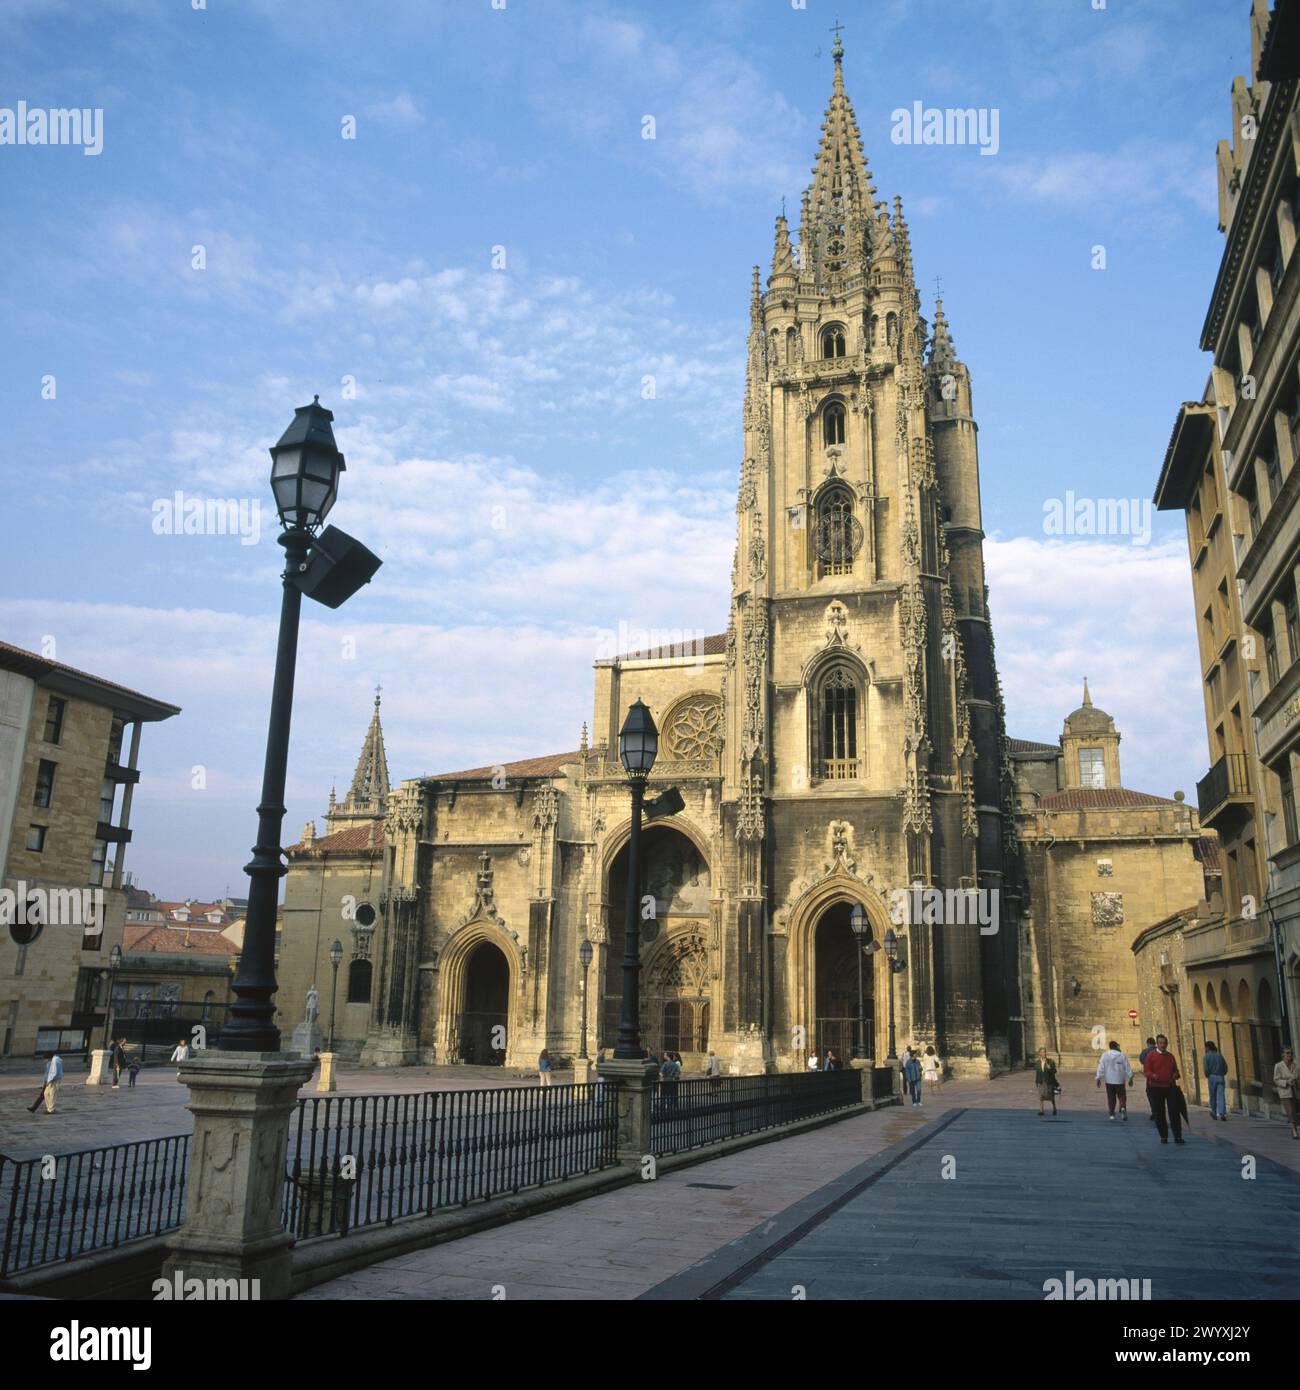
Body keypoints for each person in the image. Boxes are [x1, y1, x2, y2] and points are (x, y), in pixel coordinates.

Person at [1143, 1033, 1184, 1144]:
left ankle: (1177, 1136)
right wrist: (1153, 1075)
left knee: (1174, 1112)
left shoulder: (1170, 1056)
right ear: (1157, 1044)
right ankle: (1164, 1136)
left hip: (1170, 1086)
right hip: (1156, 1087)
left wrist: (1176, 1074)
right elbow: (1146, 1070)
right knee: (1159, 1112)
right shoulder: (1151, 1056)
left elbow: (1175, 1070)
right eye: (1160, 1043)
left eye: (1164, 1043)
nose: (1163, 1045)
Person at [1095, 1039, 1133, 1120]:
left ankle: (1112, 1113)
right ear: (1116, 1046)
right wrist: (1130, 1077)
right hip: (1120, 1080)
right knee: (1122, 1096)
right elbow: (1127, 1067)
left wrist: (1098, 1077)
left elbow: (1101, 1067)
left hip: (1109, 1080)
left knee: (1111, 1097)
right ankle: (1122, 1107)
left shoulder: (1105, 1055)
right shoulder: (1122, 1055)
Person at [1274, 1046, 1299, 1141]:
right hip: (1285, 1092)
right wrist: (1286, 1082)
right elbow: (1276, 1079)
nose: (1290, 1055)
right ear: (1283, 1054)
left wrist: (1295, 1080)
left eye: (1291, 1053)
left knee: (1296, 1112)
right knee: (1290, 1112)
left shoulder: (1296, 1064)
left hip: (1296, 1090)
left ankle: (1295, 1126)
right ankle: (1294, 1130)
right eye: (1287, 1053)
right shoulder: (1279, 1066)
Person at [1202, 1039, 1229, 1122]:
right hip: (1220, 1076)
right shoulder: (1219, 1055)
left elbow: (1206, 1069)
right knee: (1221, 1096)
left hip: (1212, 1077)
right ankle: (1222, 1113)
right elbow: (1225, 1067)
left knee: (1213, 1096)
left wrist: (1207, 1075)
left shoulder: (1206, 1056)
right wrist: (1223, 1073)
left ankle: (1214, 1112)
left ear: (1207, 1048)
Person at [1138, 1037, 1158, 1122]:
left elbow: (1142, 1060)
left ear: (1148, 1043)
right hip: (1159, 1075)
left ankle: (1154, 1111)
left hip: (1150, 1076)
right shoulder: (1159, 1051)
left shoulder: (1145, 1052)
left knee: (1150, 1093)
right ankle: (1158, 1111)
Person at [1034, 1047, 1058, 1118]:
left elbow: (1054, 1071)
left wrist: (1050, 1068)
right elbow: (1037, 1072)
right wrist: (1036, 1081)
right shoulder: (1037, 1062)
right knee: (1041, 1095)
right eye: (1042, 1052)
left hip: (1048, 1081)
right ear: (1039, 1053)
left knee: (1050, 1095)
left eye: (1044, 1052)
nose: (1043, 1053)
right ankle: (1041, 1110)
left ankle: (1054, 1108)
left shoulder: (1050, 1061)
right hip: (1040, 1081)